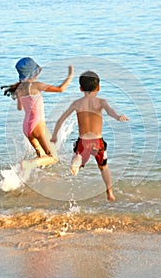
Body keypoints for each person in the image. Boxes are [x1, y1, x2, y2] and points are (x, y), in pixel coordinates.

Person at [51, 70, 129, 201]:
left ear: (80, 88)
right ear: (98, 87)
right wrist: (118, 117)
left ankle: (77, 159)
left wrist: (54, 135)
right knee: (103, 167)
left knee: (79, 158)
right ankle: (110, 192)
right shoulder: (101, 102)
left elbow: (61, 119)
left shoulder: (77, 103)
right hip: (97, 142)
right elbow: (111, 112)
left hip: (83, 141)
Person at [1, 57, 74, 170]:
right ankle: (28, 165)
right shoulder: (35, 85)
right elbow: (61, 89)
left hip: (26, 127)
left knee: (41, 155)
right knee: (53, 157)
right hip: (38, 125)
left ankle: (39, 177)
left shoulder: (19, 88)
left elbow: (20, 107)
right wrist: (70, 76)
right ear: (33, 73)